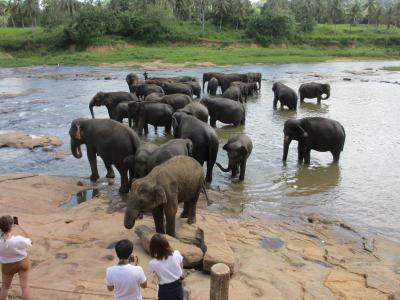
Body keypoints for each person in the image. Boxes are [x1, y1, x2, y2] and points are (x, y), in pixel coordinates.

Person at [0, 215, 32, 300]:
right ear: (12, 226)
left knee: (5, 287)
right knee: (24, 286)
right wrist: (20, 227)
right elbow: (30, 241)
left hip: (7, 265)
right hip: (22, 262)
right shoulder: (18, 239)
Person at [149, 234, 184, 300]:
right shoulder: (176, 253)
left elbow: (156, 275)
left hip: (163, 290)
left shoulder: (152, 263)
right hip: (177, 286)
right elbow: (181, 265)